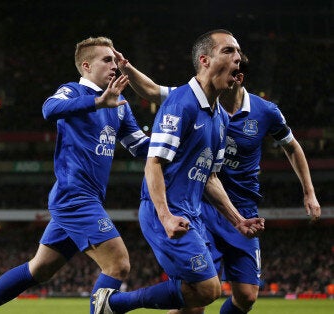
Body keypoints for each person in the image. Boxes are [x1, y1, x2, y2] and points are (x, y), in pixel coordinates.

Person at [0, 36, 150, 314]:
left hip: (87, 198)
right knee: (118, 264)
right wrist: (97, 102)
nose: (114, 66)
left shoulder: (120, 105)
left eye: (115, 60)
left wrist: (176, 140)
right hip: (75, 197)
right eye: (107, 60)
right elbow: (49, 109)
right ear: (86, 66)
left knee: (40, 269)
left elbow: (140, 146)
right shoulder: (73, 92)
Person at [117, 51, 321, 314]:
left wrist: (309, 192)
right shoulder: (196, 99)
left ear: (238, 78)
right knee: (198, 296)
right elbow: (154, 90)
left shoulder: (265, 111)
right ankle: (118, 304)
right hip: (202, 205)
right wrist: (127, 68)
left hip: (241, 207)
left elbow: (292, 147)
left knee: (246, 296)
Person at [92, 29, 266, 314]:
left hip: (192, 214)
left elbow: (210, 178)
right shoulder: (180, 103)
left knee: (194, 299)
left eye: (239, 53)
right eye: (228, 51)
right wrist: (166, 217)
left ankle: (110, 305)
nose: (238, 59)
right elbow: (154, 163)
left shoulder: (221, 118)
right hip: (166, 212)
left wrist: (238, 220)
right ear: (204, 60)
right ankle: (113, 304)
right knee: (209, 289)